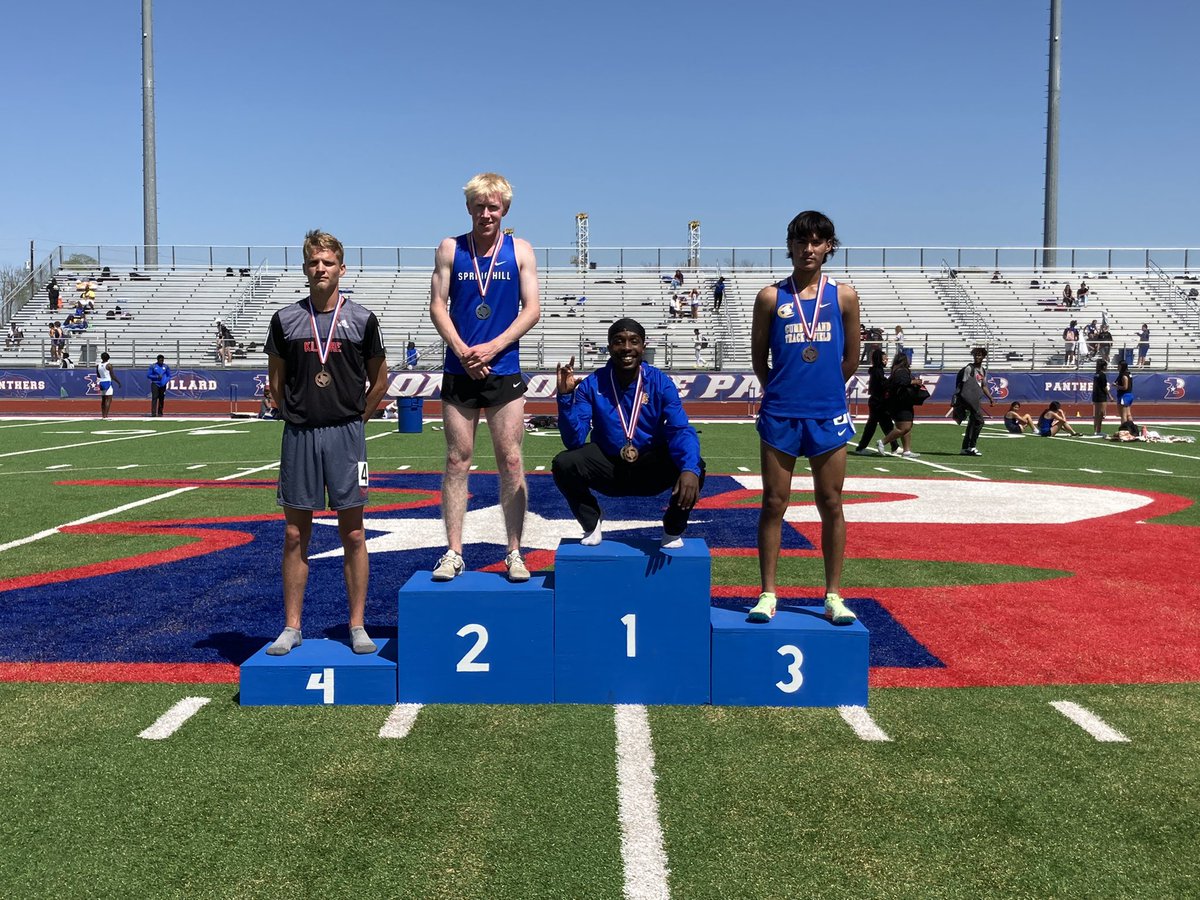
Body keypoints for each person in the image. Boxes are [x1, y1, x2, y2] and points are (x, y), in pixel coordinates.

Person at [263, 229, 389, 657]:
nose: (321, 269)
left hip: (345, 435)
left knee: (353, 533)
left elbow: (380, 379)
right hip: (299, 434)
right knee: (295, 533)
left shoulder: (362, 319)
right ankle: (292, 626)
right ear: (305, 268)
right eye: (314, 263)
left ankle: (357, 625)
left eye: (328, 262)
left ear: (341, 268)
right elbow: (275, 382)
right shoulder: (284, 320)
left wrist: (357, 420)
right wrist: (294, 412)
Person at [748, 210, 860, 627]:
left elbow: (851, 358)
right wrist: (781, 390)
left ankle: (833, 594)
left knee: (831, 502)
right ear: (790, 246)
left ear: (829, 246)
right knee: (774, 502)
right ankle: (768, 593)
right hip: (780, 413)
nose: (808, 249)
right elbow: (760, 359)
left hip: (828, 413)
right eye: (801, 241)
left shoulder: (844, 295)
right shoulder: (770, 297)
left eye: (817, 242)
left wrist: (826, 387)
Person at [429, 172, 540, 583]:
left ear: (505, 209)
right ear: (469, 208)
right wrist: (462, 350)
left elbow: (532, 309)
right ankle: (453, 552)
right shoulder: (450, 248)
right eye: (479, 206)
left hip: (503, 368)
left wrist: (492, 348)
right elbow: (437, 305)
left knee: (510, 460)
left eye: (493, 206)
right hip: (460, 368)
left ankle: (514, 551)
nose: (486, 213)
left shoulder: (521, 250)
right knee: (458, 461)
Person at [552, 317, 704, 549]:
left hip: (650, 468)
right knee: (564, 463)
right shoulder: (592, 384)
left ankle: (672, 529)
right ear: (609, 347)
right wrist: (565, 399)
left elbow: (679, 429)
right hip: (609, 468)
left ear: (643, 346)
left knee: (695, 468)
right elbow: (574, 441)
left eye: (634, 341)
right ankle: (592, 522)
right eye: (618, 341)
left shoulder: (660, 382)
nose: (626, 348)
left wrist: (689, 469)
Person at [877, 351, 920, 458]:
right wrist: (914, 382)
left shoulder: (897, 370)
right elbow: (902, 382)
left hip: (900, 402)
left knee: (907, 427)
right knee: (904, 428)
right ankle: (882, 442)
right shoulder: (901, 371)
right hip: (901, 403)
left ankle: (907, 451)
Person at [853, 347, 896, 455]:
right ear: (879, 359)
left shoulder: (877, 370)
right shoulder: (877, 371)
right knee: (873, 426)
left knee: (886, 424)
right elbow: (883, 384)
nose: (887, 360)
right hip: (877, 402)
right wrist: (892, 382)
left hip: (877, 402)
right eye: (885, 359)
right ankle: (861, 447)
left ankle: (895, 446)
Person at [953, 347, 993, 456]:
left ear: (983, 357)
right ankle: (972, 446)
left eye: (979, 355)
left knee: (973, 423)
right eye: (975, 355)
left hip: (976, 400)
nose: (977, 357)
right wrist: (964, 402)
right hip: (969, 400)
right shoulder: (969, 369)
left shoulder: (982, 370)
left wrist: (990, 398)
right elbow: (964, 386)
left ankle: (965, 448)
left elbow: (983, 386)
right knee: (980, 421)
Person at [1091, 358, 1112, 436]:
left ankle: (1095, 430)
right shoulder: (1102, 375)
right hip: (1101, 395)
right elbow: (1104, 387)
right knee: (1101, 413)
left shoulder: (1096, 374)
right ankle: (1098, 430)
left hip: (1096, 394)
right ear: (1103, 367)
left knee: (1096, 413)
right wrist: (1110, 396)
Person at [96, 351, 120, 419]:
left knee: (103, 400)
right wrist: (118, 382)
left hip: (101, 382)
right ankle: (106, 415)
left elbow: (98, 375)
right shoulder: (109, 365)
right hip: (108, 382)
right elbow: (112, 376)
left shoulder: (98, 365)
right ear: (108, 358)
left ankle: (103, 415)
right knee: (109, 399)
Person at [1114, 359, 1134, 424]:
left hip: (1124, 395)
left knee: (1123, 415)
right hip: (1129, 395)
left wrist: (1116, 386)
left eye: (1118, 366)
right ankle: (1131, 428)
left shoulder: (1124, 376)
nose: (1117, 367)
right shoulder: (1129, 373)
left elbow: (1125, 387)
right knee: (1128, 414)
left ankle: (1124, 429)